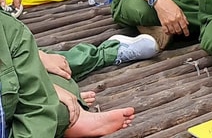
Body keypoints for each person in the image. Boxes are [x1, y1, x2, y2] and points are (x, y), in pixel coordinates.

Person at [0, 11, 138, 137]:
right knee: (58, 105)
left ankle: (108, 53)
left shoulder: (10, 29)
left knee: (60, 73)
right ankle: (73, 120)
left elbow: (35, 107)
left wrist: (40, 63)